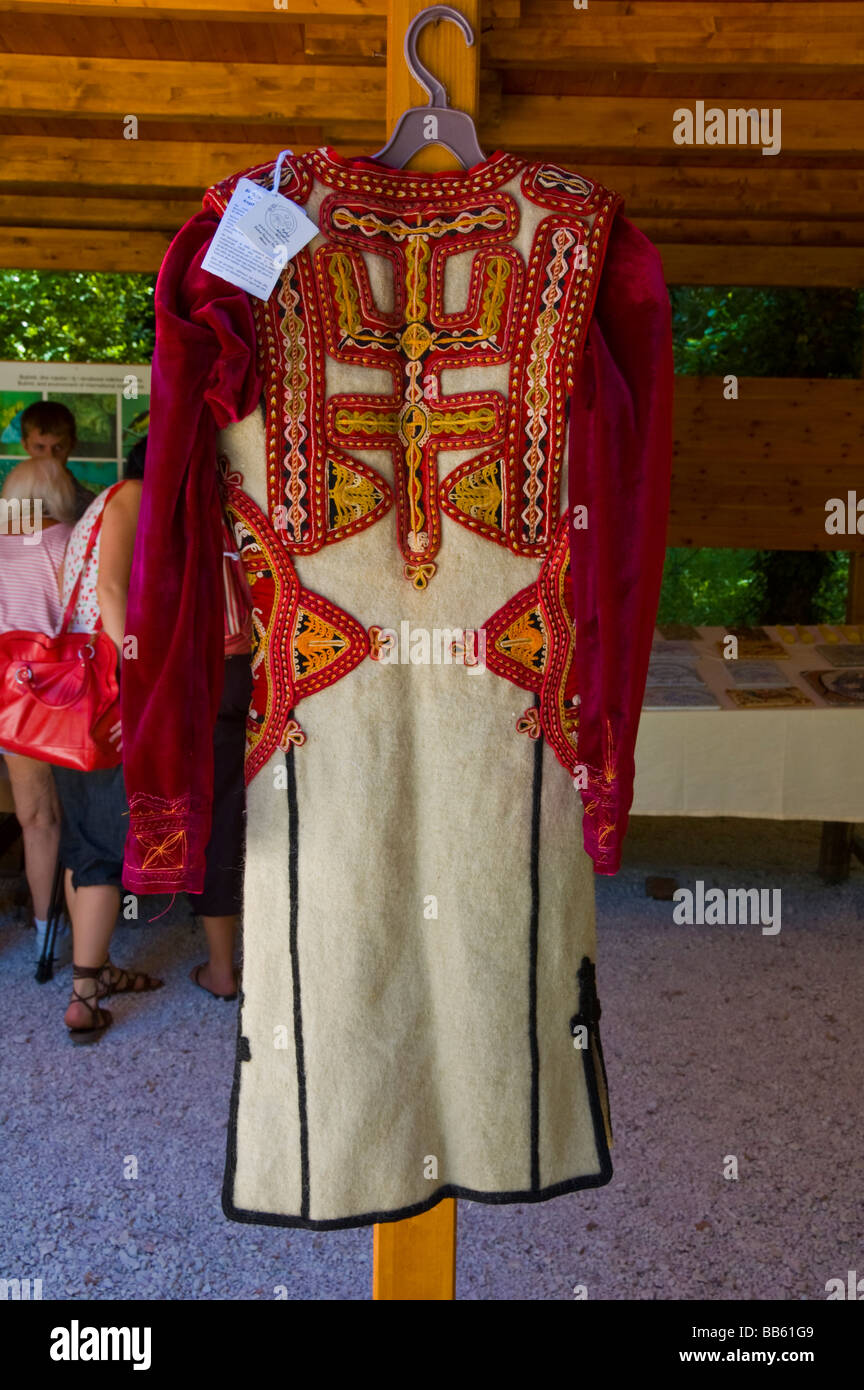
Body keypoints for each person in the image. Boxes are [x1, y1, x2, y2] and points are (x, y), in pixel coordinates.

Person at [55, 444, 163, 1041]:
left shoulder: (99, 505)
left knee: (82, 841)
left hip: (75, 692)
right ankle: (84, 995)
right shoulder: (134, 498)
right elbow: (114, 593)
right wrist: (140, 675)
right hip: (105, 688)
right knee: (101, 846)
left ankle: (95, 970)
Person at [0, 466, 76, 963]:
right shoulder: (71, 542)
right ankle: (90, 935)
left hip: (10, 700)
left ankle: (44, 939)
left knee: (36, 819)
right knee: (83, 818)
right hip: (70, 697)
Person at [1, 401, 93, 525]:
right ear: (25, 445)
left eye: (58, 447)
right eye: (39, 447)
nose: (49, 456)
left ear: (72, 444)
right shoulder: (7, 496)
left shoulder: (90, 507)